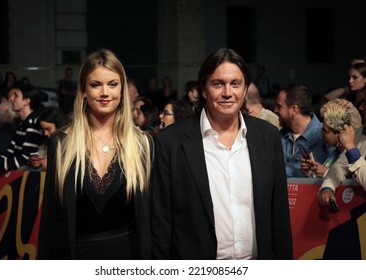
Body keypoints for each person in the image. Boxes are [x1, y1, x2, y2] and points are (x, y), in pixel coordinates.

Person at [151, 48, 293, 260]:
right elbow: (161, 223)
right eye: (218, 84)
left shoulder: (267, 136)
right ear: (204, 90)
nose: (228, 92)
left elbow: (279, 216)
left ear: (245, 90)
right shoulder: (170, 142)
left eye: (235, 84)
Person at [38, 49, 152, 260]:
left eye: (112, 84)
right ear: (83, 91)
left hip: (128, 258)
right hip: (76, 256)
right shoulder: (62, 143)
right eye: (95, 84)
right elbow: (51, 217)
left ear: (122, 90)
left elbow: (152, 218)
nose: (105, 93)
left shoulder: (141, 144)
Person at [274, 83, 335, 177]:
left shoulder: (325, 136)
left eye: (279, 106)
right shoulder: (279, 136)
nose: (275, 110)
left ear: (294, 110)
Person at [318, 89, 366, 207]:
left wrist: (351, 149)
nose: (361, 108)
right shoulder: (362, 133)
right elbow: (340, 166)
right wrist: (328, 187)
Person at [300, 98, 362, 178]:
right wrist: (312, 172)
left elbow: (355, 184)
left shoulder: (357, 154)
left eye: (324, 130)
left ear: (340, 132)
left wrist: (326, 173)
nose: (321, 132)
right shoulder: (336, 153)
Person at [28, 107, 67, 171]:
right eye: (43, 130)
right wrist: (34, 161)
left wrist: (51, 164)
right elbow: (40, 154)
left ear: (58, 126)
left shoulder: (67, 142)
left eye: (48, 129)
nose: (45, 133)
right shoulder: (47, 141)